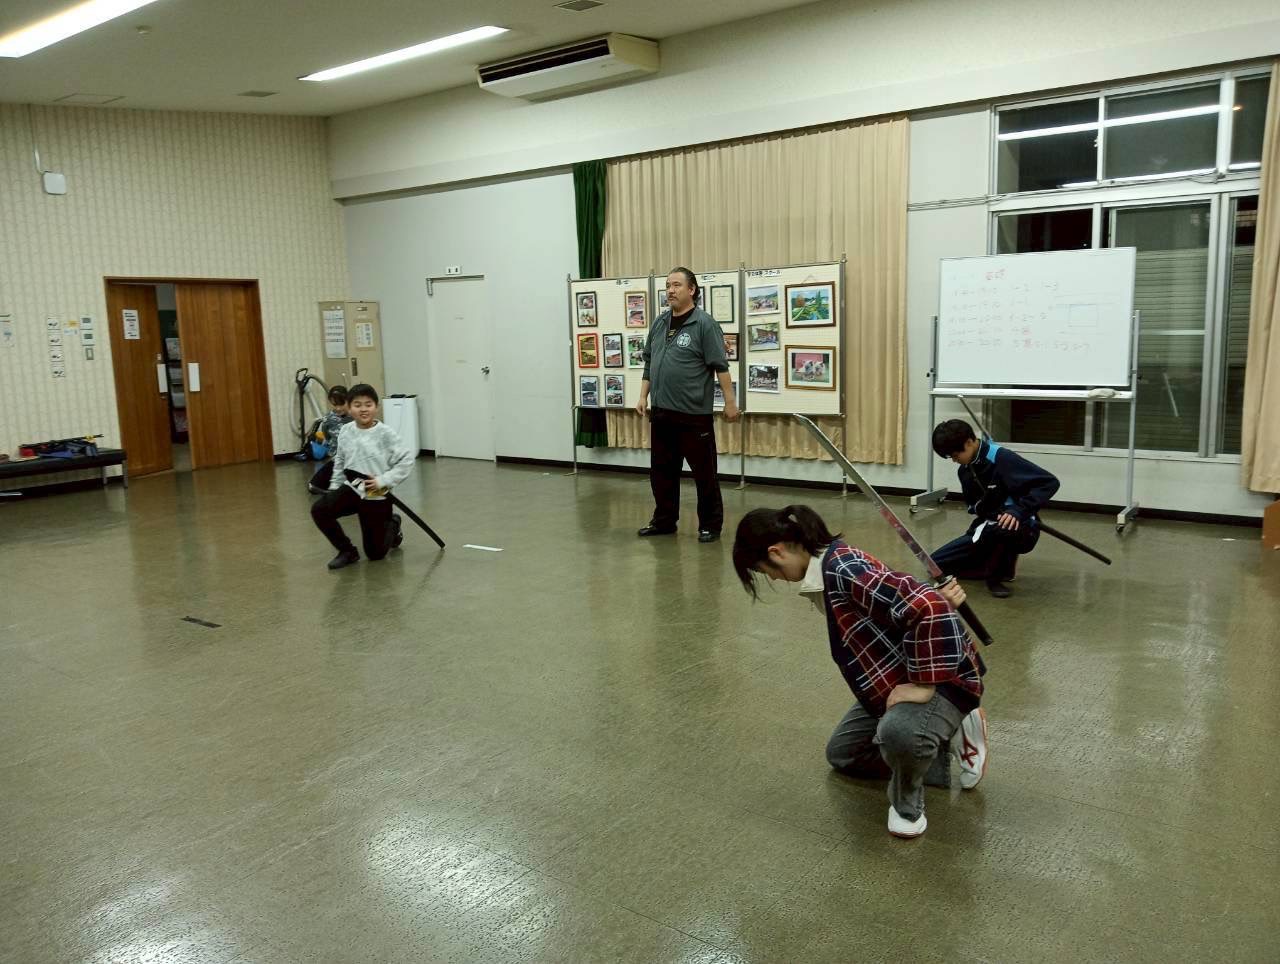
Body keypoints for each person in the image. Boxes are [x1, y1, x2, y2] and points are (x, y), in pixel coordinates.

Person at [732, 504, 988, 839]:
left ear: (776, 552)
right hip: (893, 675)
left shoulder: (842, 569)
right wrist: (928, 597)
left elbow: (928, 607)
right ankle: (948, 737)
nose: (774, 578)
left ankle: (907, 806)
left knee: (898, 733)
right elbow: (906, 602)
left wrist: (923, 686)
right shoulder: (825, 568)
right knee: (844, 754)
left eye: (766, 571)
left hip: (944, 677)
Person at [635, 267, 739, 543]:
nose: (670, 290)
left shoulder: (705, 324)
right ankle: (664, 521)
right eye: (668, 285)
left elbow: (720, 366)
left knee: (704, 475)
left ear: (691, 290)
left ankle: (710, 525)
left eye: (677, 285)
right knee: (662, 473)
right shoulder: (660, 323)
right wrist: (643, 396)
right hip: (662, 414)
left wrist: (730, 402)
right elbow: (649, 362)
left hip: (693, 416)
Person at [930, 419, 1060, 598]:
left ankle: (996, 576)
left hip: (1021, 527)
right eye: (950, 457)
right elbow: (973, 507)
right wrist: (983, 507)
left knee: (1003, 528)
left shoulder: (1001, 457)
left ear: (969, 442)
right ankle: (995, 565)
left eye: (955, 455)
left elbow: (1049, 483)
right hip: (987, 526)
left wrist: (1018, 510)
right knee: (935, 565)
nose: (954, 460)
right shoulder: (964, 470)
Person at [310, 384, 414, 570]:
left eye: (368, 404)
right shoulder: (346, 430)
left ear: (376, 407)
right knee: (320, 510)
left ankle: (392, 524)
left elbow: (406, 460)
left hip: (376, 492)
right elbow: (340, 461)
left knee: (375, 554)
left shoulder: (385, 434)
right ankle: (347, 551)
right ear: (349, 408)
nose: (363, 409)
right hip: (353, 488)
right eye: (357, 405)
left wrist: (383, 481)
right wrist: (335, 489)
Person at [307, 385, 353, 494]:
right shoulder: (328, 419)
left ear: (348, 400)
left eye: (341, 404)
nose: (338, 408)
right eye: (335, 404)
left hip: (353, 459)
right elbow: (326, 435)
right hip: (336, 459)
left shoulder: (355, 417)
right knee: (314, 485)